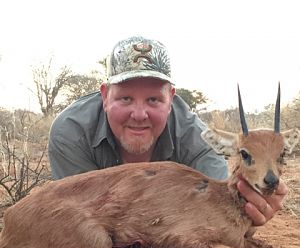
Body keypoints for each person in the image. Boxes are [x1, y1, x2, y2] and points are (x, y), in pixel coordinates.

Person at [48, 35, 287, 227]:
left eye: (153, 100)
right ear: (104, 96)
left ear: (171, 98)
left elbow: (222, 214)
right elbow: (78, 213)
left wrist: (250, 213)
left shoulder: (198, 140)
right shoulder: (70, 132)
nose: (139, 114)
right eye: (126, 98)